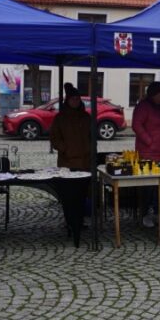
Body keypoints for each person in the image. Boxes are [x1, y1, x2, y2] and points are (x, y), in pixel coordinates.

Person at [131, 80, 160, 228]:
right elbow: (136, 125)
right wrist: (149, 141)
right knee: (148, 186)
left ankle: (159, 213)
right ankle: (145, 213)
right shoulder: (143, 107)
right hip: (147, 152)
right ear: (154, 94)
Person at [49, 83, 91, 239]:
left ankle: (79, 221)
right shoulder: (60, 118)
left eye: (77, 98)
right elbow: (54, 137)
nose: (75, 101)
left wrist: (89, 149)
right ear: (68, 100)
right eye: (73, 98)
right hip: (67, 162)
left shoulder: (86, 117)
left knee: (81, 194)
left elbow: (92, 136)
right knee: (69, 195)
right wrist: (64, 148)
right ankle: (69, 221)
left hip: (85, 161)